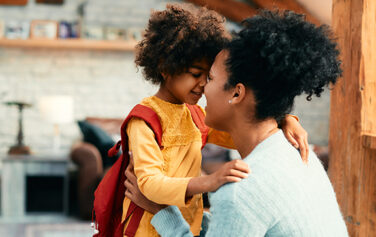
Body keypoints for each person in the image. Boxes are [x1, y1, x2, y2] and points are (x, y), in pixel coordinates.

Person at [124, 10, 348, 236]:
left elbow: (241, 210)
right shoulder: (299, 153)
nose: (203, 88)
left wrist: (162, 213)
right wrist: (283, 119)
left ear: (237, 93)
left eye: (209, 77)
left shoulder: (238, 193)